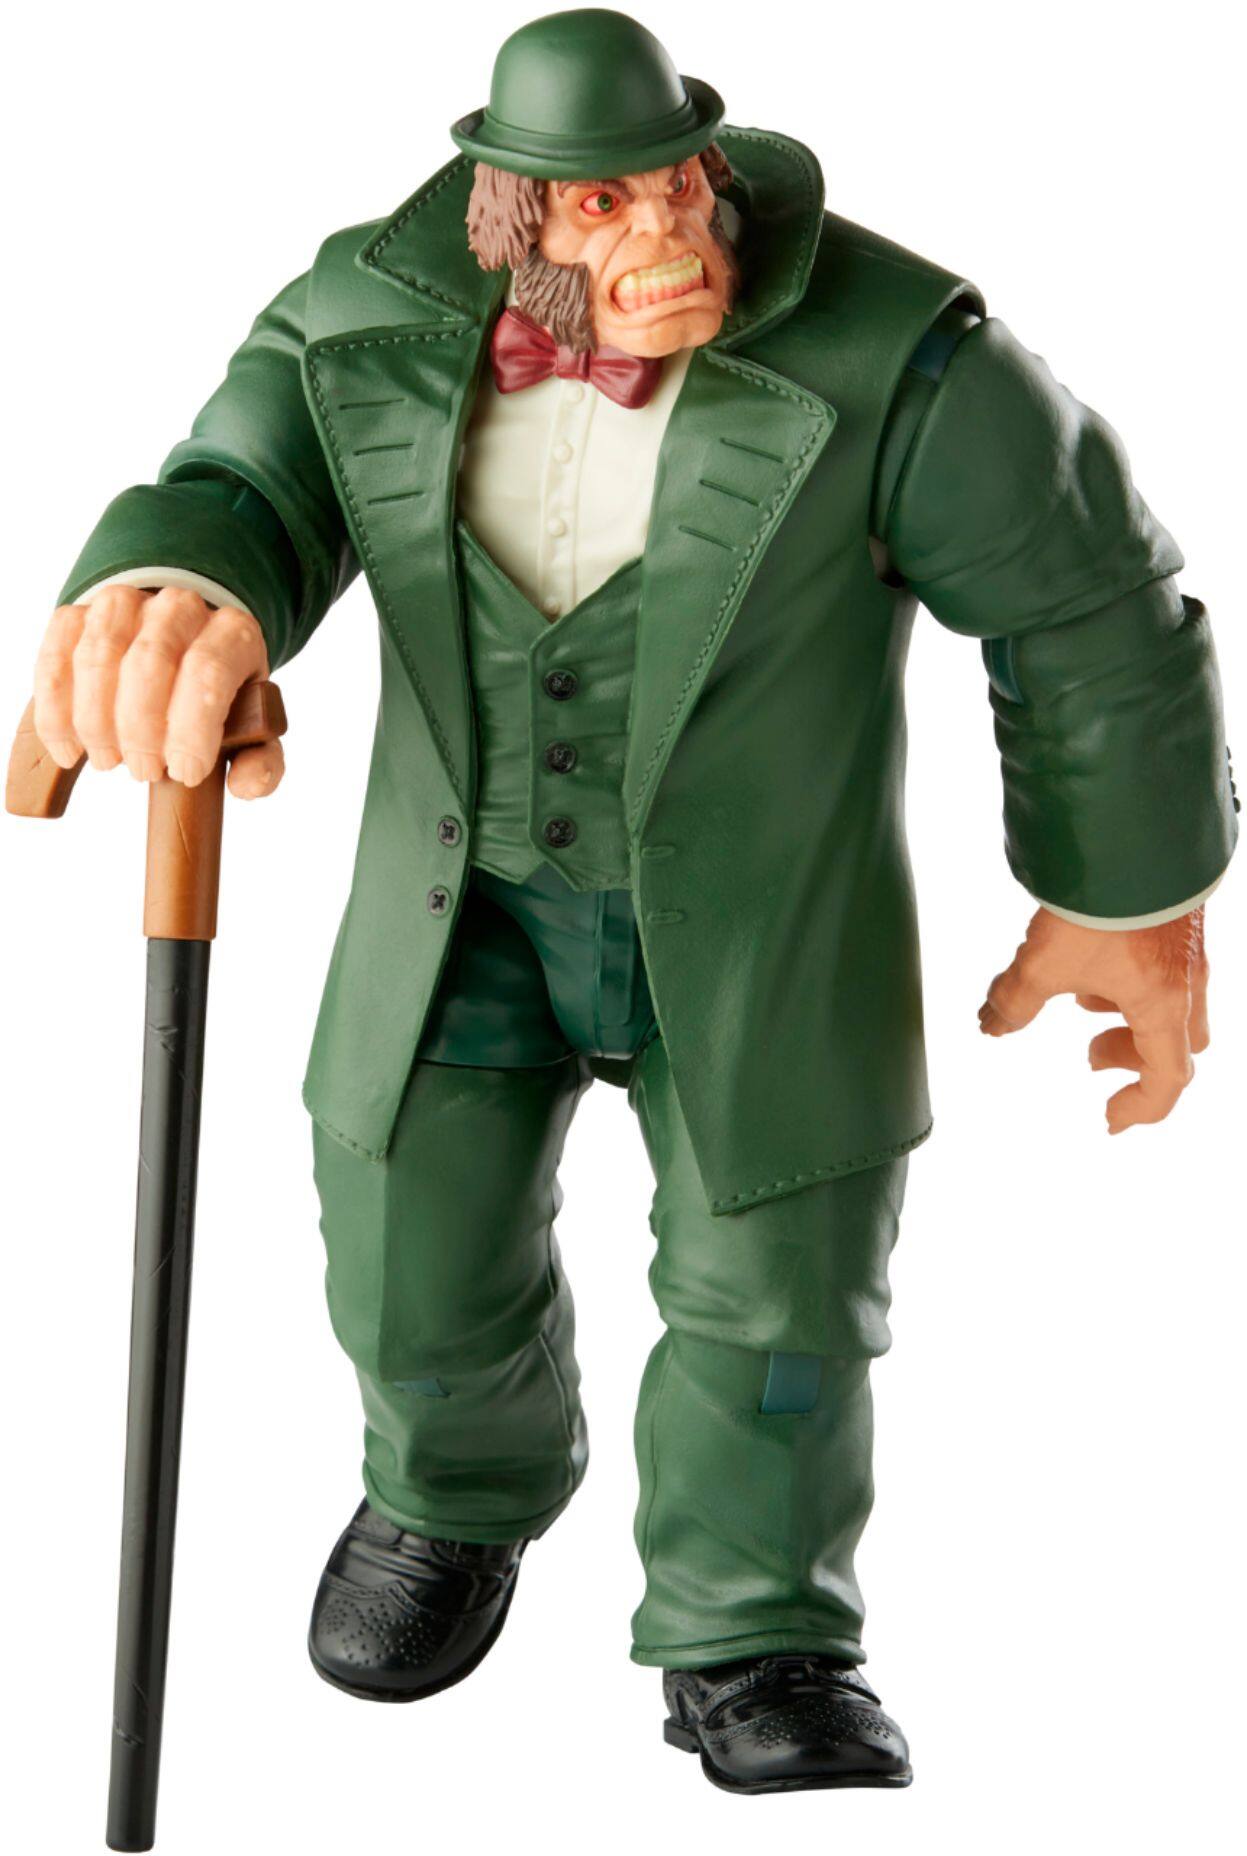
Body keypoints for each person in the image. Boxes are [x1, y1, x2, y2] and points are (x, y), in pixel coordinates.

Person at [31, 7, 1235, 1796]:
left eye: (682, 185)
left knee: (781, 1289)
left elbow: (1086, 601)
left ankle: (756, 1622)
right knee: (404, 1238)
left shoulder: (902, 357)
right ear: (511, 218)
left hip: (762, 919)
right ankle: (455, 1490)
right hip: (463, 897)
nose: (666, 231)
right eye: (605, 208)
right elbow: (239, 490)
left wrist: (1128, 888)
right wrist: (175, 584)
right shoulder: (360, 320)